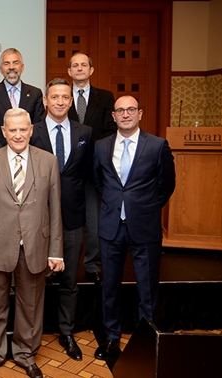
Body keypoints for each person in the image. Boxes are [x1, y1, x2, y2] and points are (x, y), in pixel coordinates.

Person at [0, 108, 63, 378]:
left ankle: (25, 353)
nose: (18, 134)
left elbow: (54, 208)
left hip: (36, 244)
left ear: (31, 130)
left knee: (30, 306)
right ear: (3, 131)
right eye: (12, 130)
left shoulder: (48, 161)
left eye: (23, 129)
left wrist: (56, 251)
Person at [93, 95, 175, 361]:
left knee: (148, 289)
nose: (125, 114)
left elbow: (166, 185)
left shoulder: (157, 145)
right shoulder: (101, 146)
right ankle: (111, 339)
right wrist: (115, 204)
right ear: (113, 116)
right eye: (120, 110)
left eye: (130, 110)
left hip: (145, 226)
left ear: (140, 113)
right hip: (110, 226)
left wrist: (146, 207)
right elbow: (98, 182)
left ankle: (147, 342)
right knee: (110, 288)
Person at [29, 78, 94, 361]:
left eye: (64, 97)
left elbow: (89, 176)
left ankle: (67, 332)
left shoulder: (86, 132)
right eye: (54, 97)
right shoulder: (31, 131)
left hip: (72, 217)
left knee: (69, 281)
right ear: (45, 101)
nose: (59, 101)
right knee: (34, 280)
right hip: (36, 220)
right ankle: (33, 334)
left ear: (71, 101)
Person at [67, 51, 117, 283]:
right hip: (66, 169)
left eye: (83, 65)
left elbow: (110, 131)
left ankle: (92, 264)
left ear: (91, 70)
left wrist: (90, 151)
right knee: (62, 219)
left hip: (94, 168)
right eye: (75, 65)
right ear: (69, 71)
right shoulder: (62, 97)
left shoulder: (105, 97)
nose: (79, 69)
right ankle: (59, 263)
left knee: (93, 220)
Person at [0, 48, 46, 149]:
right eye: (6, 64)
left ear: (22, 67)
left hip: (28, 152)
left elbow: (39, 127)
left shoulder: (35, 93)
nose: (11, 67)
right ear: (0, 69)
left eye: (15, 63)